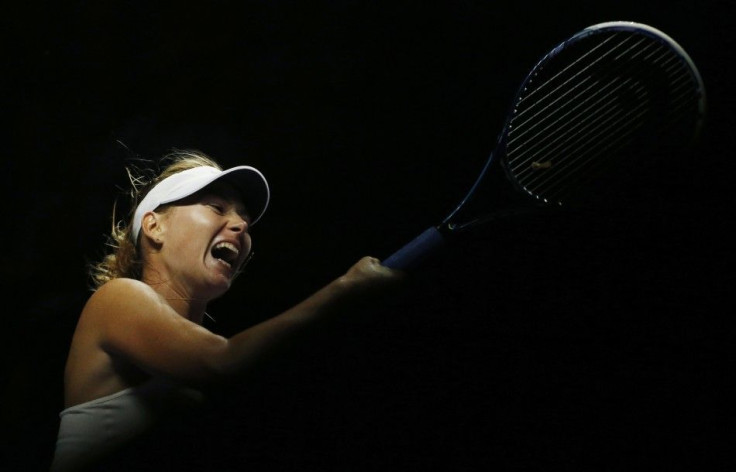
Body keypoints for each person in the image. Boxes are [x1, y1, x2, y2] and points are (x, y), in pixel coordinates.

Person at [50, 149, 403, 471]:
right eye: (217, 207)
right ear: (155, 226)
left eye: (244, 217)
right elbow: (221, 362)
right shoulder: (117, 298)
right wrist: (345, 289)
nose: (241, 225)